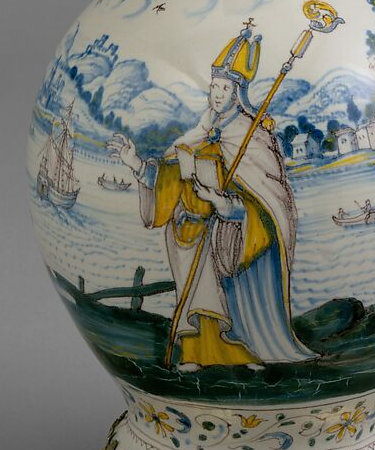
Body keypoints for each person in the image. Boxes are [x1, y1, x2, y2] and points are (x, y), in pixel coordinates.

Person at [109, 21, 315, 372]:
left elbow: (271, 201)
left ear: (238, 92)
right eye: (214, 87)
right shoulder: (203, 130)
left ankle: (244, 349)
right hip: (188, 233)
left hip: (228, 236)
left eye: (224, 88)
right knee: (195, 297)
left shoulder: (251, 136)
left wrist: (229, 207)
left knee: (218, 296)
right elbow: (170, 175)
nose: (216, 94)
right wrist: (137, 165)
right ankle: (196, 354)